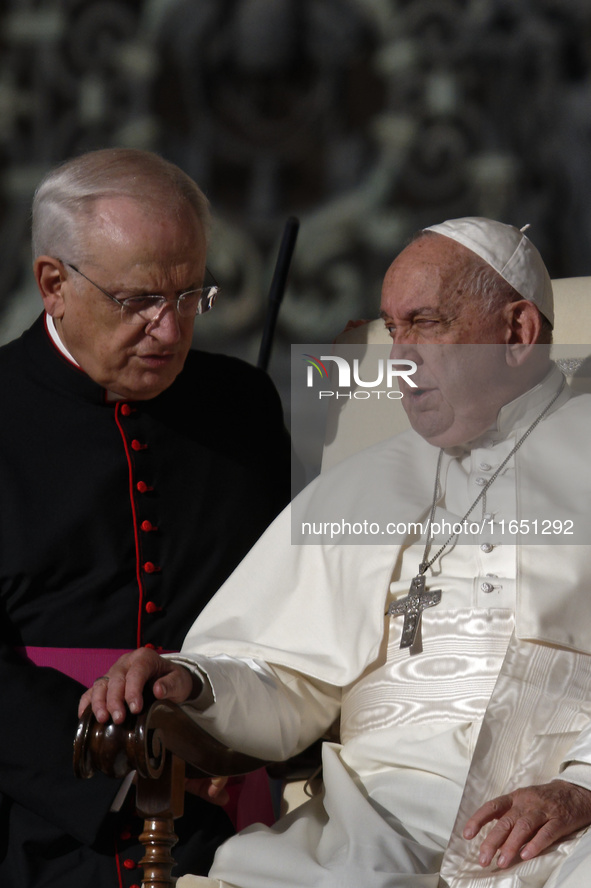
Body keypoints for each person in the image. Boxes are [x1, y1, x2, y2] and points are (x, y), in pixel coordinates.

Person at [83, 217, 591, 888]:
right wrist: (196, 683)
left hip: (562, 819)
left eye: (425, 323)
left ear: (517, 333)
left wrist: (579, 789)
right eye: (392, 328)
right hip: (373, 819)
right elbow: (283, 674)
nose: (398, 356)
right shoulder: (361, 484)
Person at [0, 148, 291, 888]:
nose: (168, 332)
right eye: (137, 302)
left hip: (228, 805)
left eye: (191, 296)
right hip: (39, 815)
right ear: (52, 284)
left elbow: (283, 601)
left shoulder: (242, 404)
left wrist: (225, 735)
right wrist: (131, 768)